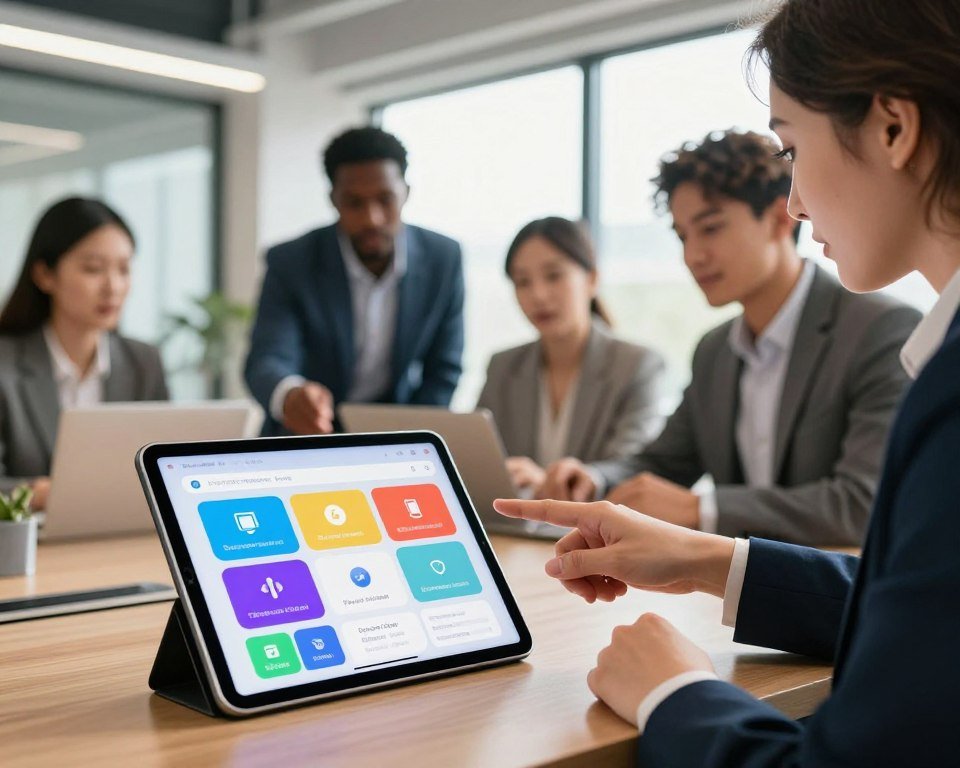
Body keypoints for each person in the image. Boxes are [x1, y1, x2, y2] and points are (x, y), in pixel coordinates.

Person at [495, 1, 960, 765]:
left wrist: (675, 691)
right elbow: (923, 602)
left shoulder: (920, 362)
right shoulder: (719, 349)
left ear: (893, 129)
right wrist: (704, 558)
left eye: (793, 148)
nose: (799, 202)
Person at [541, 129, 920, 546]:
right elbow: (664, 462)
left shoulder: (880, 331)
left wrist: (702, 509)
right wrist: (594, 480)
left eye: (711, 228)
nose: (693, 255)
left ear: (779, 219)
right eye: (683, 236)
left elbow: (862, 504)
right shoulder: (715, 350)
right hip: (741, 593)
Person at [244, 126, 465, 436]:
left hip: (395, 433)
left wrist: (415, 439)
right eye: (354, 203)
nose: (371, 218)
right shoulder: (291, 262)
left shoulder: (444, 258)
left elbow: (444, 369)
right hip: (304, 435)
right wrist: (291, 395)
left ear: (406, 193)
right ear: (333, 200)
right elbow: (268, 358)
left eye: (385, 200)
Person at [477, 217, 665, 495]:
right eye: (522, 282)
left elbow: (631, 469)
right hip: (516, 530)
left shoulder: (637, 365)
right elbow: (478, 460)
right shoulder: (503, 366)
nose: (538, 295)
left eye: (554, 275)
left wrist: (548, 483)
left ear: (592, 280)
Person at [0, 196, 168, 506]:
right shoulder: (5, 365)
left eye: (124, 269)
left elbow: (163, 468)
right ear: (44, 275)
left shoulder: (144, 362)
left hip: (119, 538)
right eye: (93, 269)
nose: (113, 286)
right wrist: (42, 494)